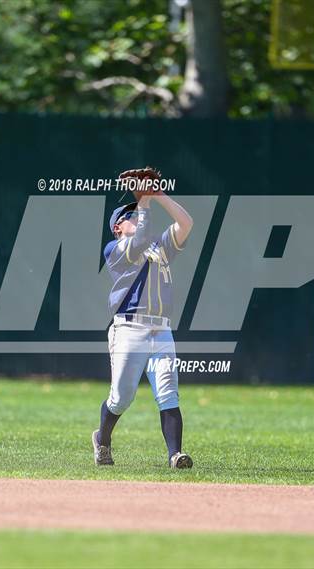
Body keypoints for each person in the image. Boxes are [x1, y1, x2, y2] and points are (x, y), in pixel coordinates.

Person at [92, 168, 194, 469]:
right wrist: (144, 203)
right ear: (117, 228)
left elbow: (186, 223)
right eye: (130, 215)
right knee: (121, 398)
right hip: (129, 330)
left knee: (168, 392)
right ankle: (103, 440)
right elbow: (137, 244)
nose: (135, 217)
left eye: (136, 213)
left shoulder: (160, 247)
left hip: (161, 331)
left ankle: (175, 455)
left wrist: (158, 195)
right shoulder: (116, 248)